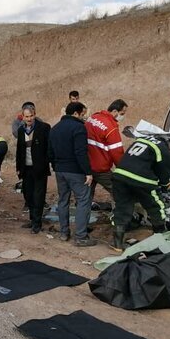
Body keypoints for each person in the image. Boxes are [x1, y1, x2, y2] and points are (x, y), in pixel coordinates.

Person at [111, 135, 170, 250]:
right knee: (156, 207)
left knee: (122, 208)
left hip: (120, 175)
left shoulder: (144, 139)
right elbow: (164, 175)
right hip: (141, 180)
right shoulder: (166, 152)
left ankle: (117, 245)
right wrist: (166, 185)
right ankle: (159, 238)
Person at [48, 102, 96, 246]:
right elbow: (80, 152)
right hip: (75, 171)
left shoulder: (55, 128)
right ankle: (81, 236)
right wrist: (88, 172)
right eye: (83, 114)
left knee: (63, 200)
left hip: (60, 170)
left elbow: (49, 152)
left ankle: (64, 232)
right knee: (83, 200)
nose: (84, 117)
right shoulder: (79, 128)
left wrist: (56, 166)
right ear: (76, 113)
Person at [15, 104, 51, 234]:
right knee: (28, 194)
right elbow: (19, 150)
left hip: (39, 169)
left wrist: (46, 162)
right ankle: (32, 219)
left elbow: (49, 148)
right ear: (22, 117)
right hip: (26, 168)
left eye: (31, 116)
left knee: (38, 196)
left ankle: (37, 223)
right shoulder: (21, 130)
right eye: (26, 116)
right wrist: (18, 167)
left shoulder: (44, 128)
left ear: (35, 115)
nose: (29, 119)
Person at [85, 99, 128, 199]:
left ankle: (83, 213)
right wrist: (122, 168)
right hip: (100, 167)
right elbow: (116, 152)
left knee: (86, 196)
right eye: (122, 113)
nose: (122, 116)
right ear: (114, 111)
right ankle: (118, 214)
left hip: (86, 165)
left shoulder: (93, 118)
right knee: (117, 190)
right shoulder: (111, 127)